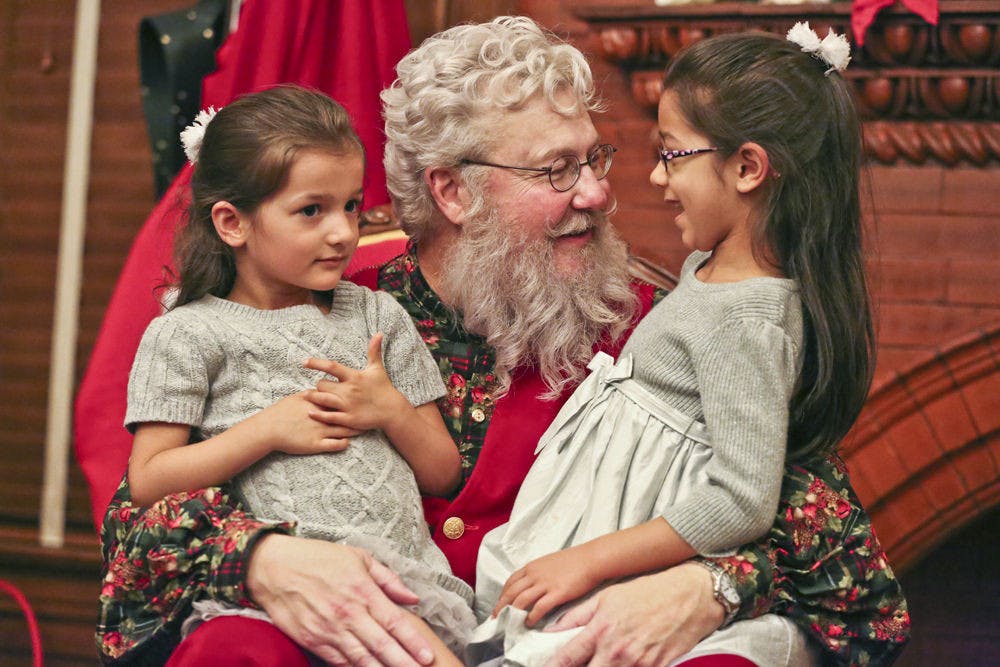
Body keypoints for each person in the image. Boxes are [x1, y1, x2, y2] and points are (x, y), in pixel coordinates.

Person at [96, 16, 909, 667]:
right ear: (452, 190)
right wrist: (262, 559)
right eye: (556, 170)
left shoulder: (667, 323)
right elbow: (139, 513)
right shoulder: (316, 311)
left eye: (597, 158)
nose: (597, 193)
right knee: (233, 648)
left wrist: (714, 585)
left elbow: (834, 551)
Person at [466, 23, 876, 666]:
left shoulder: (748, 322)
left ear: (746, 168)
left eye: (672, 153)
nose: (656, 178)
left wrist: (587, 559)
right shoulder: (710, 275)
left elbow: (743, 498)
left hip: (622, 558)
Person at [119, 84, 474, 663]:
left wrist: (390, 411)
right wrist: (266, 431)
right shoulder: (187, 333)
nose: (343, 232)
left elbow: (441, 474)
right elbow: (150, 482)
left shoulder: (377, 316)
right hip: (286, 599)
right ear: (232, 223)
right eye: (312, 210)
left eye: (352, 205)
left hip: (405, 583)